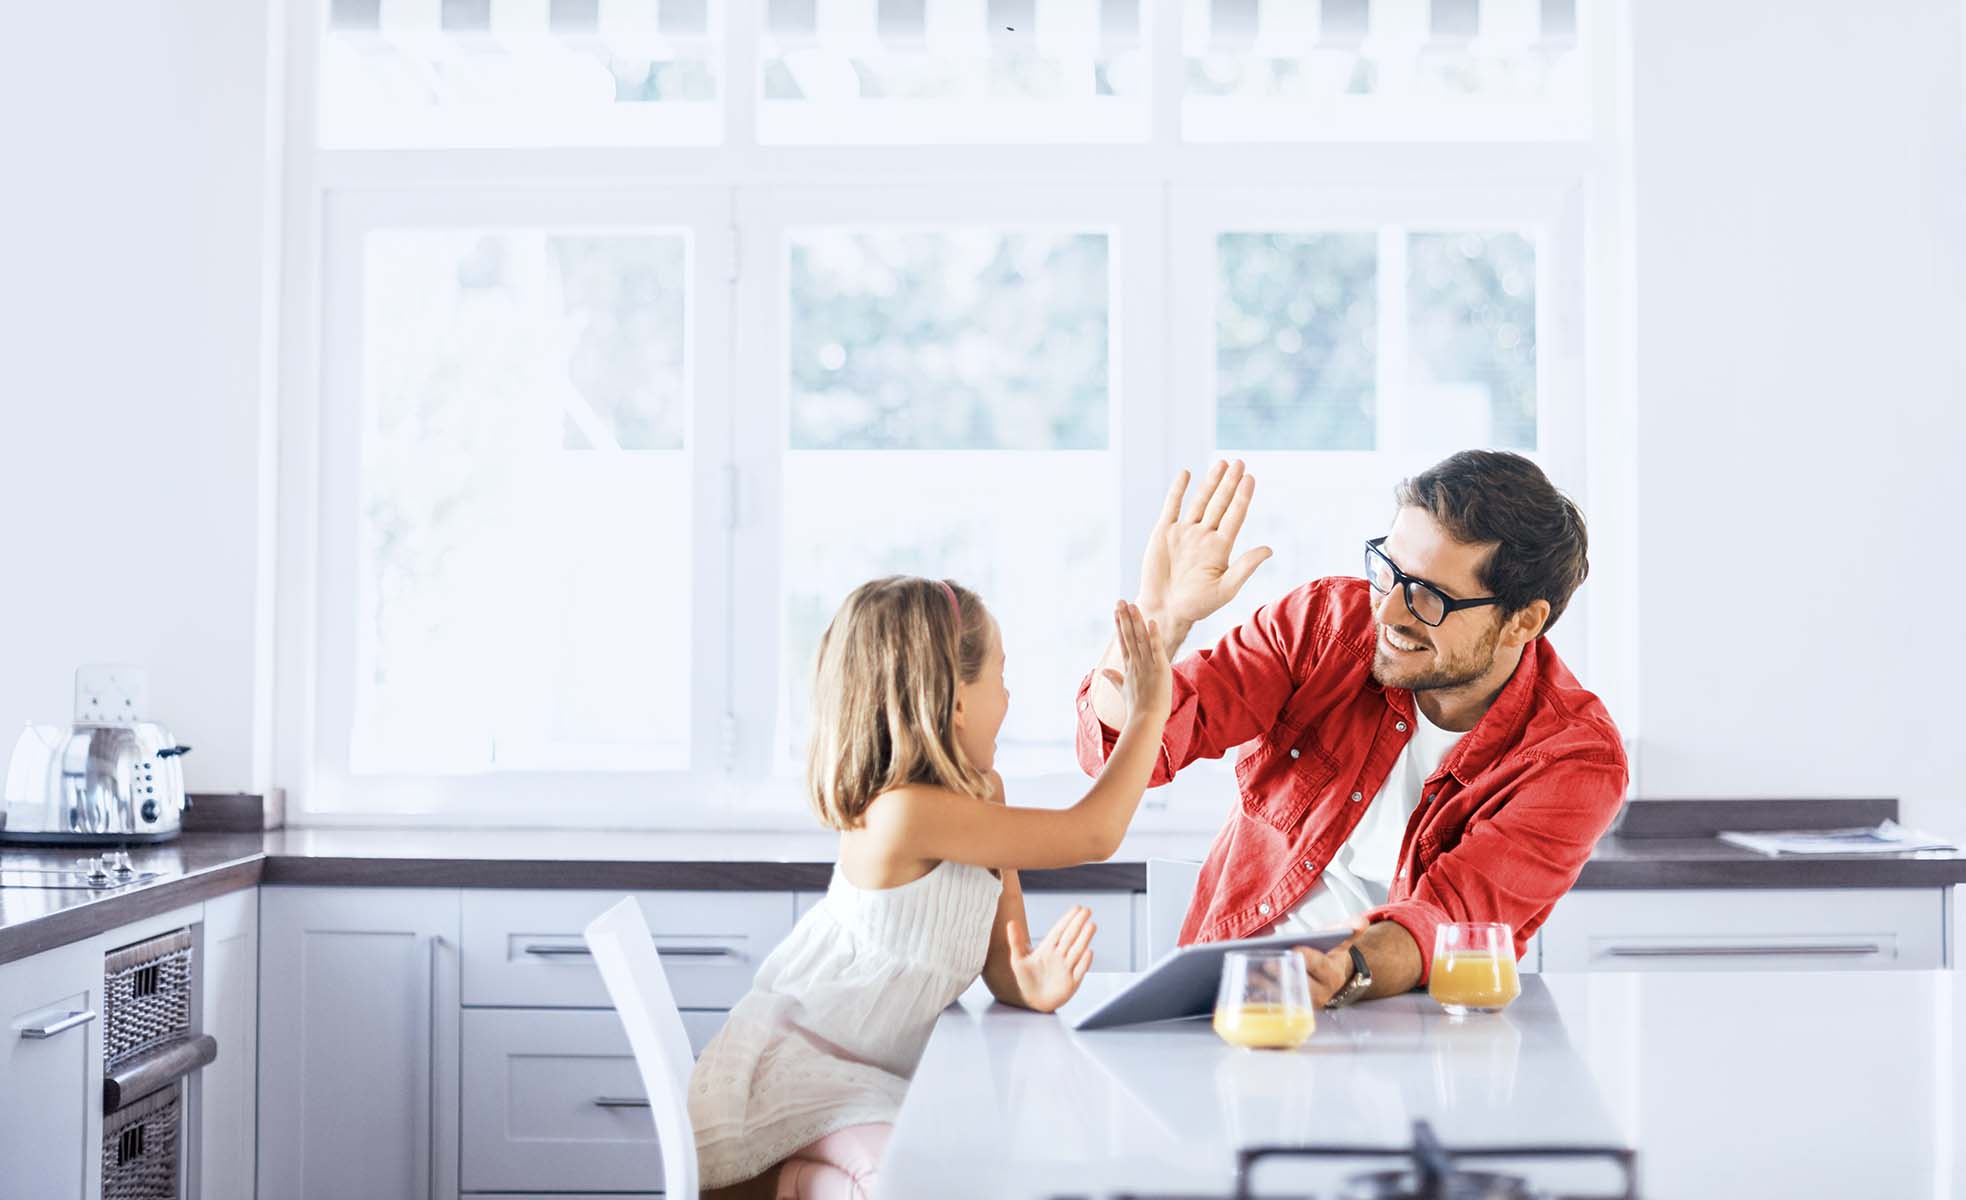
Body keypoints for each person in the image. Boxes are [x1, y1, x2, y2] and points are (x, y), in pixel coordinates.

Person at [1077, 451, 1627, 1009]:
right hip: (1237, 1001)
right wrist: (1161, 617)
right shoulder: (1324, 624)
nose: (1388, 613)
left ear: (1524, 621)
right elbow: (1127, 756)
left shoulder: (1572, 758)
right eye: (1387, 571)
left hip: (1406, 1028)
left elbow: (1453, 919)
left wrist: (1343, 969)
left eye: (1429, 597)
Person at [692, 577, 1172, 1199]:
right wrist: (1148, 714)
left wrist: (1030, 981)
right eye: (1001, 675)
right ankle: (783, 1183)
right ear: (956, 702)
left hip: (870, 1077)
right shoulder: (902, 815)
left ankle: (800, 1184)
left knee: (959, 1162)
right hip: (801, 1075)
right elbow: (1093, 834)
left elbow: (1005, 964)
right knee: (915, 1180)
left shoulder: (981, 797)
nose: (1011, 694)